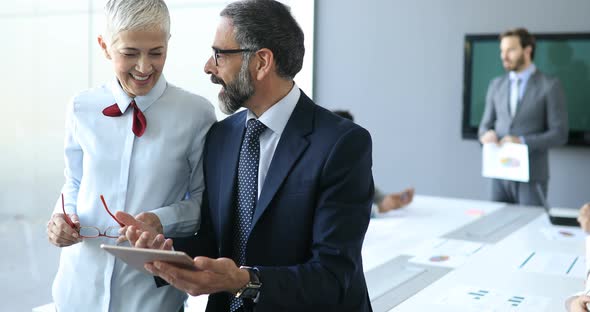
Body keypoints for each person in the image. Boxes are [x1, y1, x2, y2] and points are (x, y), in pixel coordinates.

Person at [119, 1, 374, 311]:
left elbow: (333, 278)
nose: (208, 67)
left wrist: (243, 281)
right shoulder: (220, 137)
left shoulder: (342, 145)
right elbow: (216, 242)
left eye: (219, 55)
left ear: (261, 62)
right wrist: (163, 251)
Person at [45, 0, 216, 311]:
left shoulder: (196, 114)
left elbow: (205, 205)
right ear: (105, 46)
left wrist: (160, 221)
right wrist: (62, 218)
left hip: (151, 298)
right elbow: (74, 182)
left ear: (168, 44)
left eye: (156, 52)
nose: (144, 67)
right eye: (129, 53)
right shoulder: (81, 107)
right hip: (76, 292)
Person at [478, 27, 568, 206]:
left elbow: (559, 134)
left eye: (510, 50)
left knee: (529, 229)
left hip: (532, 177)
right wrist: (486, 135)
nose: (504, 56)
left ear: (527, 50)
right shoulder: (496, 85)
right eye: (502, 51)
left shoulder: (549, 86)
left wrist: (522, 141)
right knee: (496, 227)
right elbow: (484, 127)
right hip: (499, 175)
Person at [332, 110, 414, 215]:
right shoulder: (326, 167)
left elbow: (371, 192)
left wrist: (396, 200)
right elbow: (339, 210)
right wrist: (378, 209)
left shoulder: (351, 165)